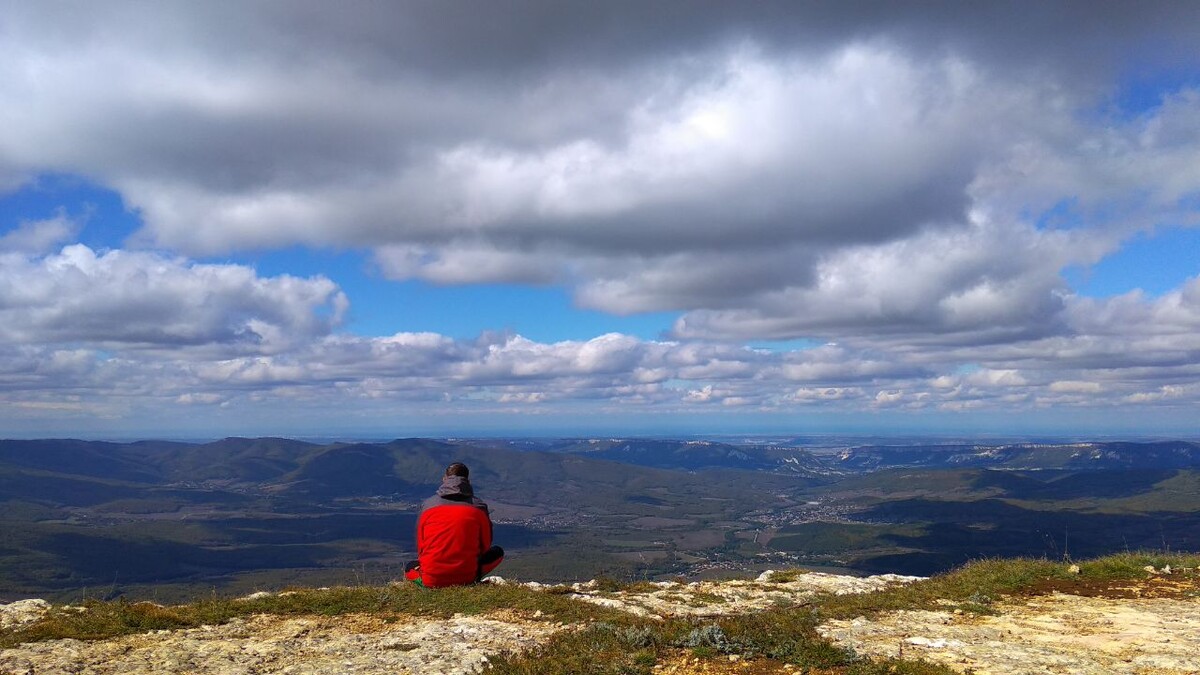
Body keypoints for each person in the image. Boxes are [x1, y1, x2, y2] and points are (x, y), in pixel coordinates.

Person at [404, 462, 504, 587]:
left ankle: (426, 580)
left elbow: (421, 546)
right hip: (468, 577)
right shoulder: (478, 506)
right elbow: (485, 545)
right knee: (497, 552)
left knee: (409, 568)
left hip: (431, 580)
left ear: (444, 479)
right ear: (468, 481)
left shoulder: (428, 505)